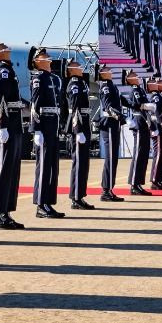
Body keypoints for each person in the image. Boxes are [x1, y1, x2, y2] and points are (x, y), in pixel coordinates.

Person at [0, 39, 26, 229]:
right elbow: (0, 98)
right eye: (1, 46)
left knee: (12, 170)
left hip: (14, 122)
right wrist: (1, 125)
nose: (6, 46)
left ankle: (5, 212)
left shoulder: (9, 70)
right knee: (4, 170)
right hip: (7, 123)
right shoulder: (2, 71)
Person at [29, 46, 66, 217]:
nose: (48, 57)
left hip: (54, 125)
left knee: (52, 167)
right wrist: (36, 129)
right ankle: (40, 204)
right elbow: (34, 106)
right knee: (43, 166)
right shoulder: (38, 79)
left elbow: (60, 103)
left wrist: (62, 125)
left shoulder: (56, 79)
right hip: (43, 125)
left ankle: (48, 203)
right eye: (43, 56)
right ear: (37, 61)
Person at [65, 59, 95, 210]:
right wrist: (78, 130)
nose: (80, 67)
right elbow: (75, 107)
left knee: (84, 163)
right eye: (77, 65)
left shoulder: (82, 82)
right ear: (70, 69)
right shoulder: (74, 84)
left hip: (85, 124)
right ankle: (75, 198)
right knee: (78, 163)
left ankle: (80, 196)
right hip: (78, 126)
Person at [95, 63, 125, 201]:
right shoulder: (105, 86)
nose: (109, 70)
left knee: (113, 158)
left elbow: (122, 101)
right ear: (101, 73)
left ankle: (109, 189)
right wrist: (119, 116)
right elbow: (108, 106)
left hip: (114, 123)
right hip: (109, 124)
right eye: (106, 69)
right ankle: (106, 191)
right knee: (110, 158)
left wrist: (140, 106)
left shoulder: (112, 85)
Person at [122, 69, 154, 195]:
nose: (137, 76)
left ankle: (139, 183)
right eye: (133, 75)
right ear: (129, 79)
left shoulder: (140, 90)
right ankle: (134, 184)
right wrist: (146, 106)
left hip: (144, 122)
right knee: (138, 155)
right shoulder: (135, 90)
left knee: (144, 155)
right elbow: (138, 104)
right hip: (139, 122)